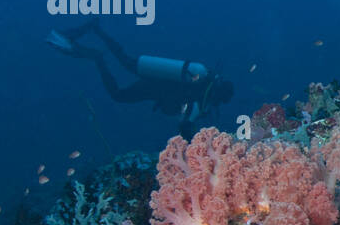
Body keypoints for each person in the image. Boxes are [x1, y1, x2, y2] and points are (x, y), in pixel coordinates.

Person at [46, 22, 234, 138]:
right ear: (218, 96)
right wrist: (193, 141)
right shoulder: (201, 99)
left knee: (125, 60)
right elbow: (185, 124)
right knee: (118, 94)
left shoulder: (202, 79)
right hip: (154, 87)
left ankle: (96, 29)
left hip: (156, 76)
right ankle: (97, 54)